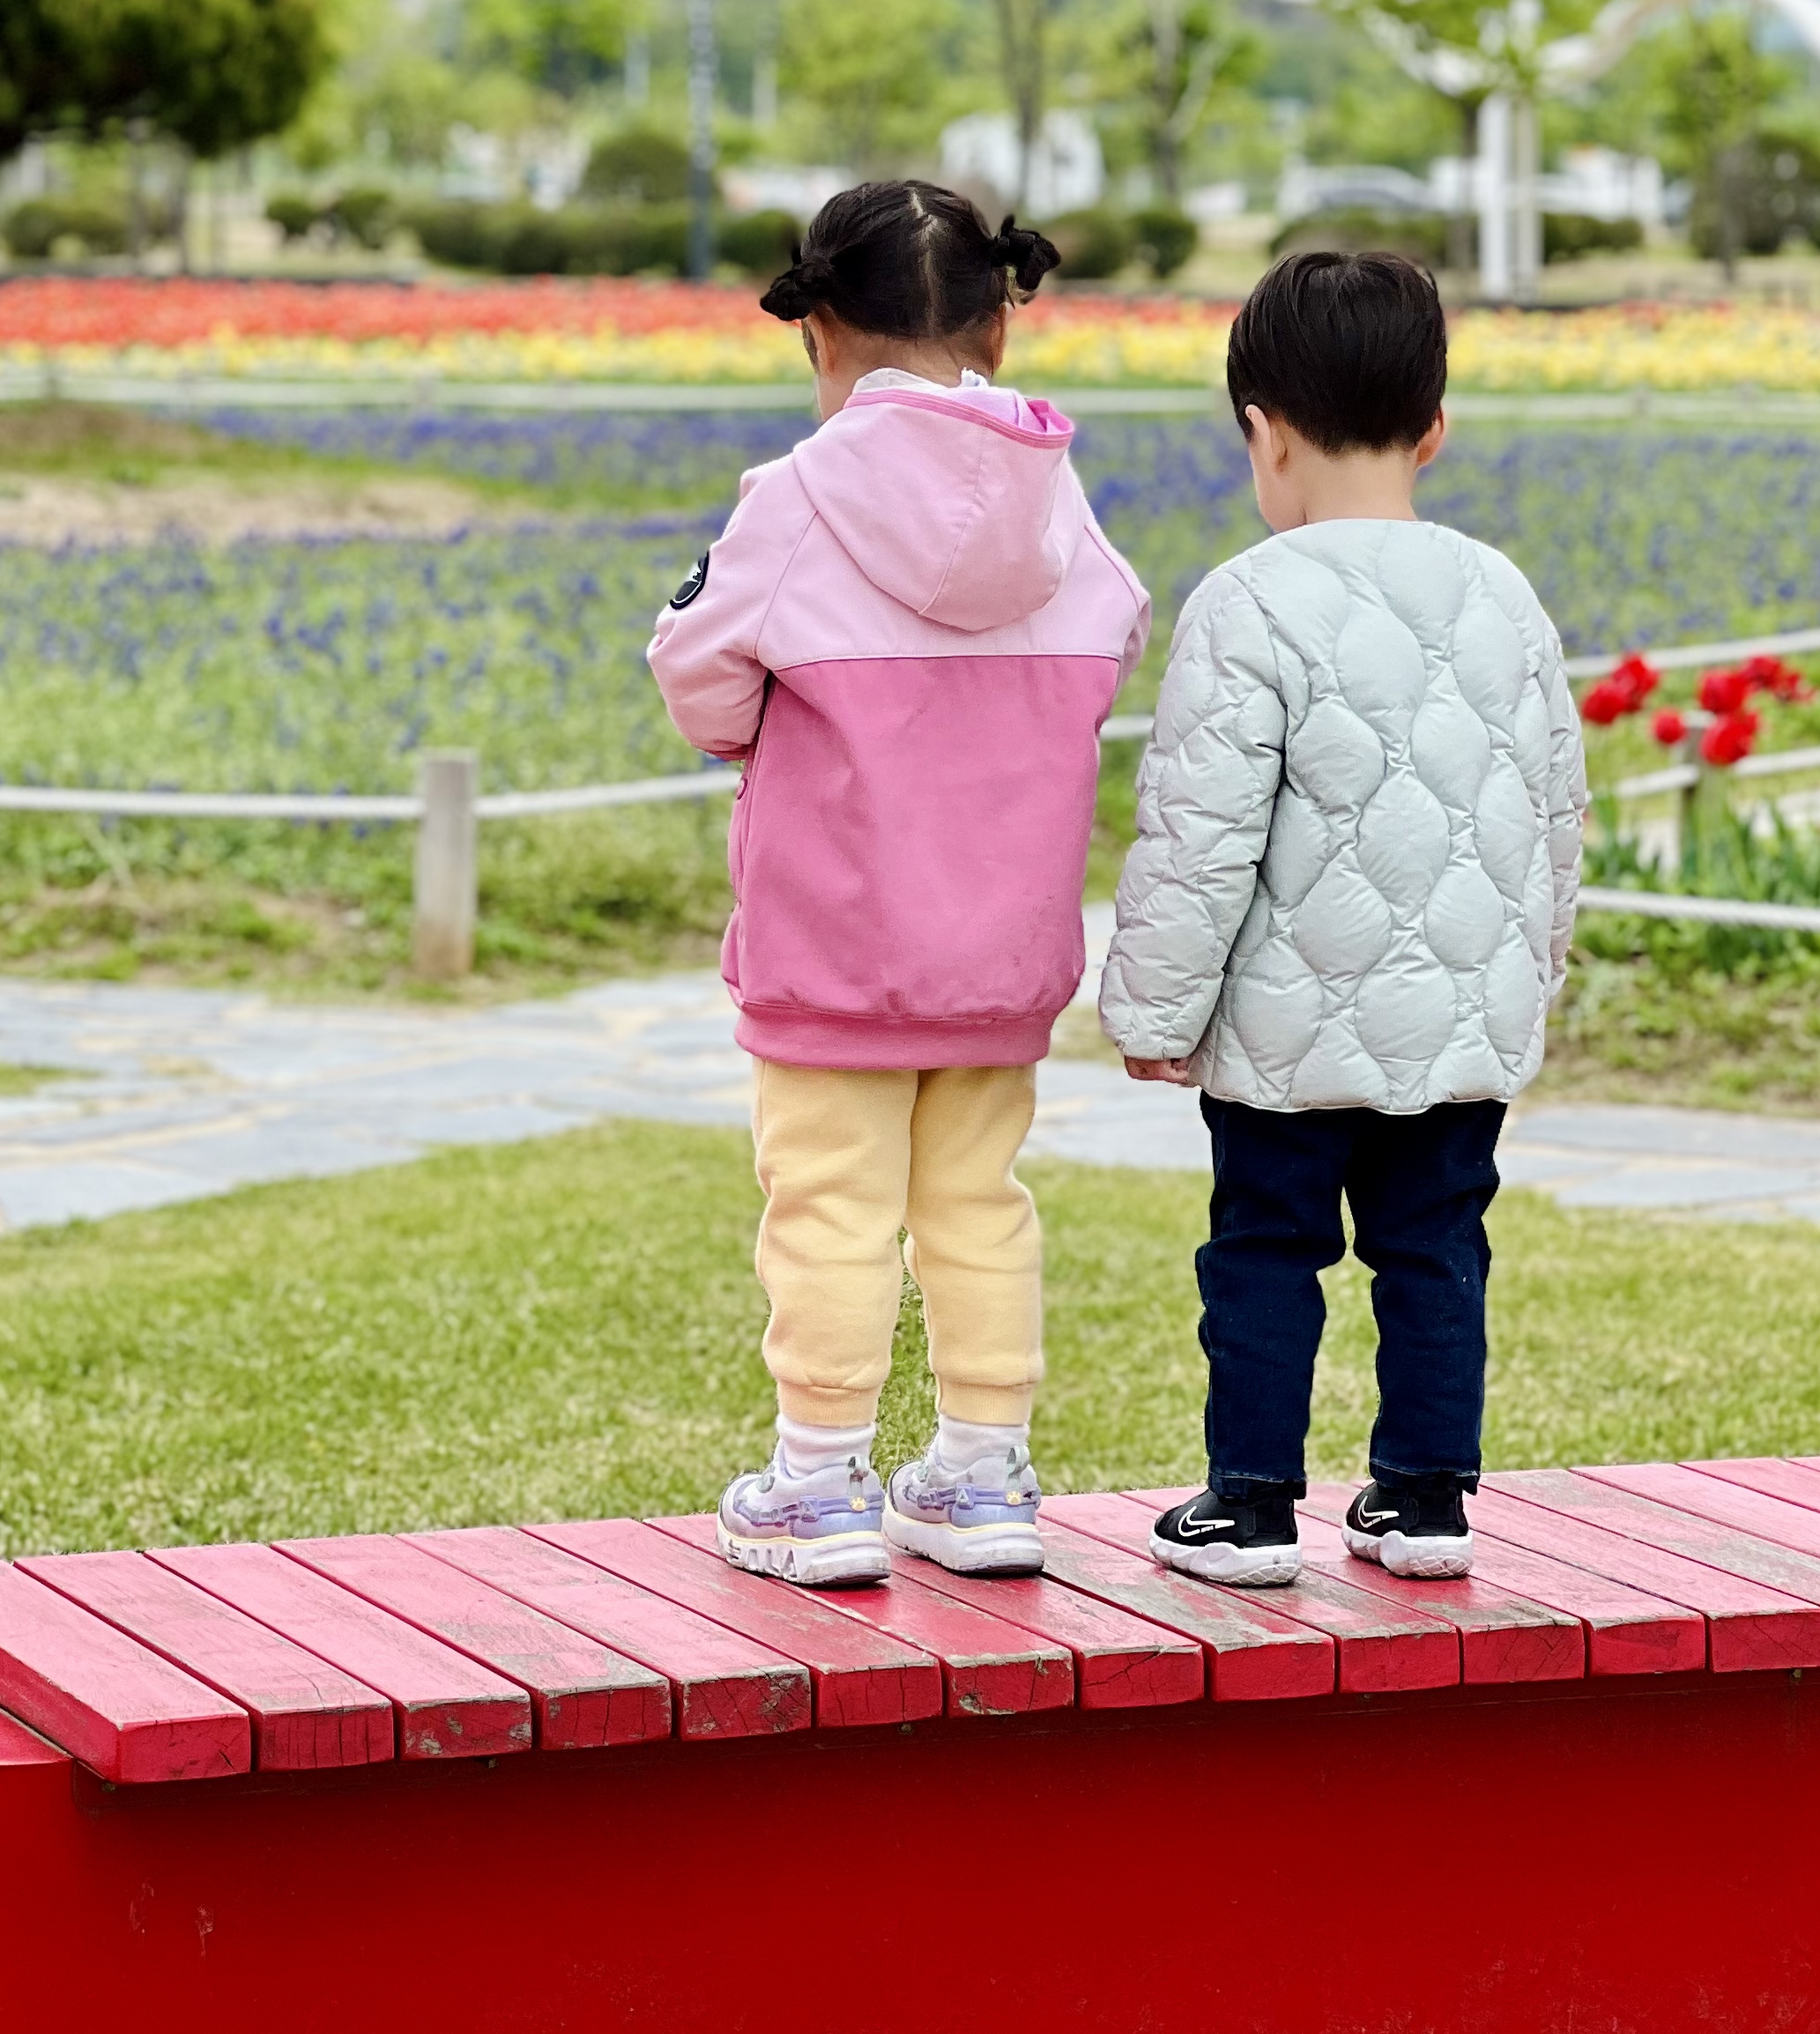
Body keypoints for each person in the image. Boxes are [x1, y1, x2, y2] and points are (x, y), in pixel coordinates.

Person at [650, 182, 1150, 1585]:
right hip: (1000, 948)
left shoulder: (797, 499)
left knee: (826, 1205)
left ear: (822, 338)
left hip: (835, 942)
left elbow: (695, 668)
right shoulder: (1062, 499)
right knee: (980, 1203)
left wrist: (753, 732)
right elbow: (1117, 628)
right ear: (998, 327)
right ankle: (983, 1478)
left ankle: (816, 1486)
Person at [1100, 249, 1585, 1585]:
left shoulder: (1249, 601)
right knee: (1437, 1251)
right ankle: (1425, 1502)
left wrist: (1152, 1012)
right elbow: (1556, 810)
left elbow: (1200, 841)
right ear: (1435, 428)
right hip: (1461, 1029)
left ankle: (1250, 1509)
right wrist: (1529, 973)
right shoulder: (1504, 592)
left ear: (1263, 432)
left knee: (1267, 1250)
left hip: (1285, 1039)